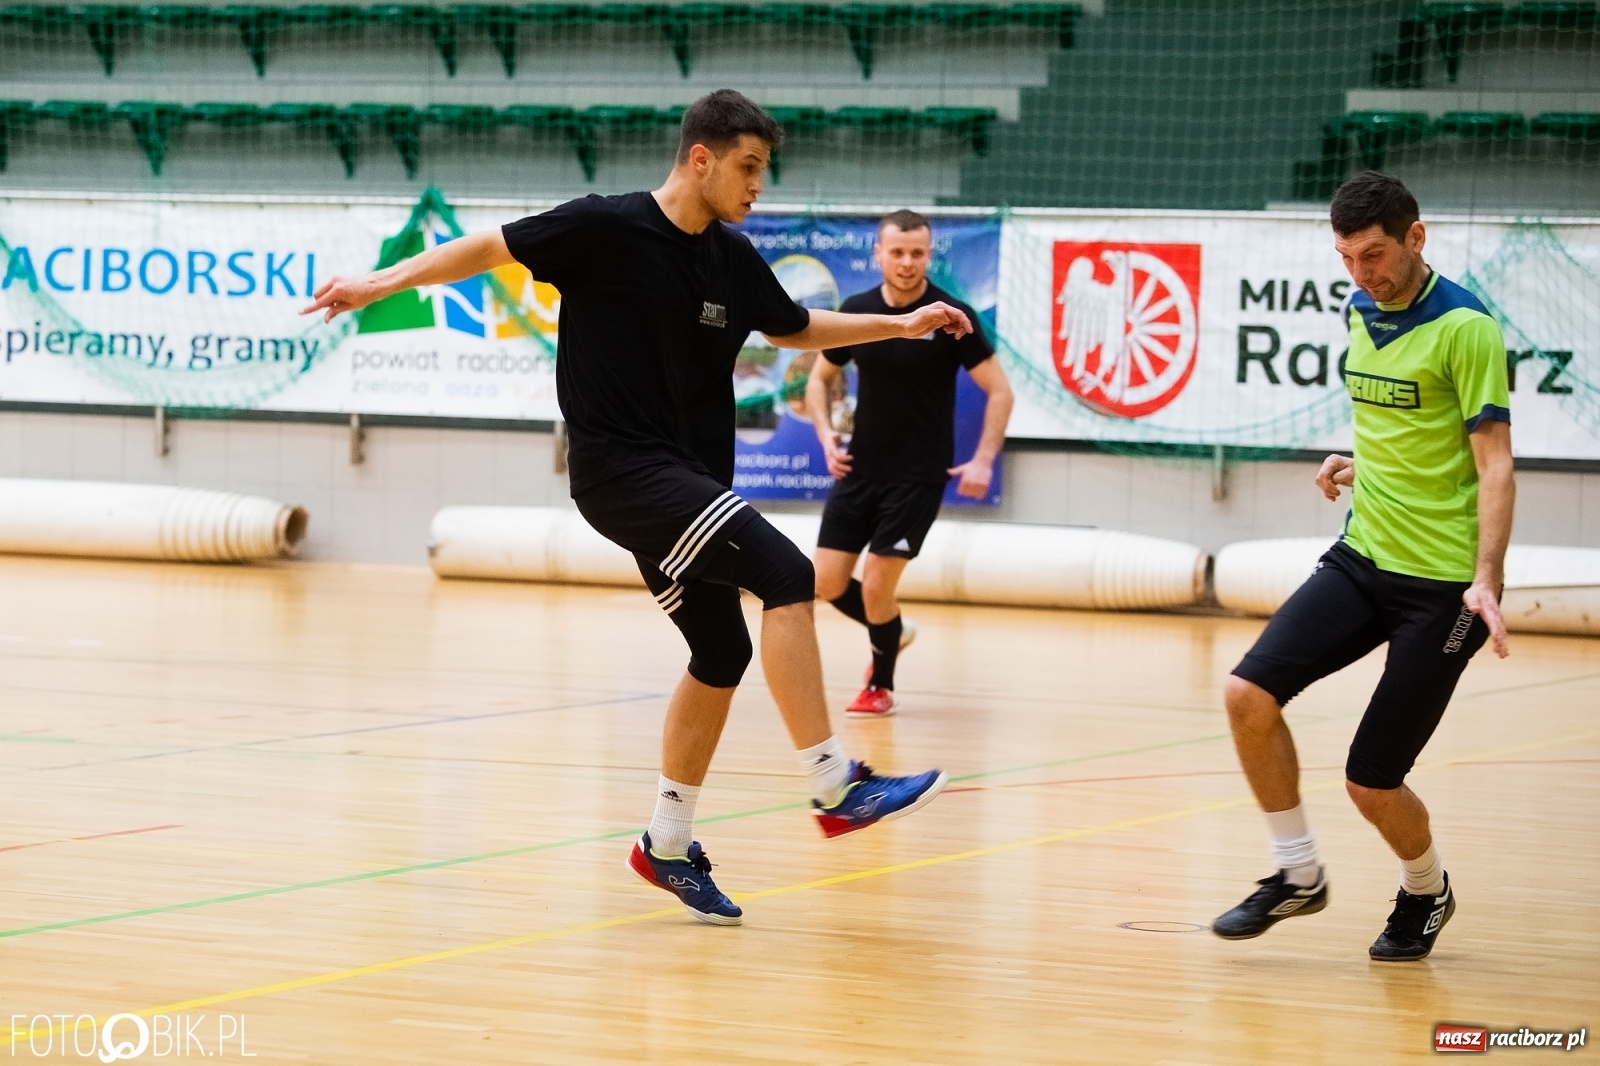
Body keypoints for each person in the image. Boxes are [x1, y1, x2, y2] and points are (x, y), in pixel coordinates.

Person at [304, 90, 967, 927]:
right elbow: (484, 248)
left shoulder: (730, 255)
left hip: (682, 484)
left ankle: (666, 842)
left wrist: (900, 330)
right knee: (787, 573)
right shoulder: (603, 227)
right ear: (702, 158)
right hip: (622, 474)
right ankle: (835, 783)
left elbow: (794, 328)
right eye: (750, 168)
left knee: (721, 649)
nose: (759, 185)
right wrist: (378, 283)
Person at [1212, 171, 1514, 961]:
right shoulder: (1358, 309)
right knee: (1246, 694)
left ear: (1417, 239)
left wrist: (1486, 577)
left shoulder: (1467, 328)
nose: (1360, 273)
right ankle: (1297, 872)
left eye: (1374, 255)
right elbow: (1399, 420)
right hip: (1363, 553)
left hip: (1443, 589)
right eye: (1346, 257)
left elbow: (1495, 465)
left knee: (1371, 781)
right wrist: (1360, 461)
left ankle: (1426, 890)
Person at [804, 211, 1013, 717]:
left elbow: (1000, 392)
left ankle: (880, 685)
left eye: (916, 252)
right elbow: (816, 381)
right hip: (861, 468)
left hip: (918, 475)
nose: (906, 262)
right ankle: (894, 628)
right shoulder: (858, 313)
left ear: (928, 255)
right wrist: (827, 435)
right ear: (878, 254)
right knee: (825, 583)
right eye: (896, 251)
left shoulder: (951, 316)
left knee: (876, 584)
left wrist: (983, 459)